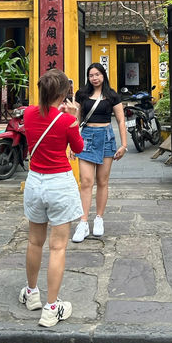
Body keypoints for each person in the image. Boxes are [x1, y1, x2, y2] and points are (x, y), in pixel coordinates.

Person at [20, 69, 83, 327]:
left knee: (35, 242)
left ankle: (32, 293)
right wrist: (74, 119)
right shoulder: (66, 121)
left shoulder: (28, 113)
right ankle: (52, 307)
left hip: (35, 181)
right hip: (60, 183)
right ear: (63, 94)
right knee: (58, 247)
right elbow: (78, 148)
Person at [72, 63, 127, 243]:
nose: (94, 78)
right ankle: (83, 222)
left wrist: (124, 145)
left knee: (102, 181)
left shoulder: (112, 96)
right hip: (86, 137)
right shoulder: (81, 95)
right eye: (91, 75)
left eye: (97, 74)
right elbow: (76, 119)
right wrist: (72, 144)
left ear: (103, 75)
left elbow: (120, 120)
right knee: (86, 181)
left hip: (106, 137)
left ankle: (99, 219)